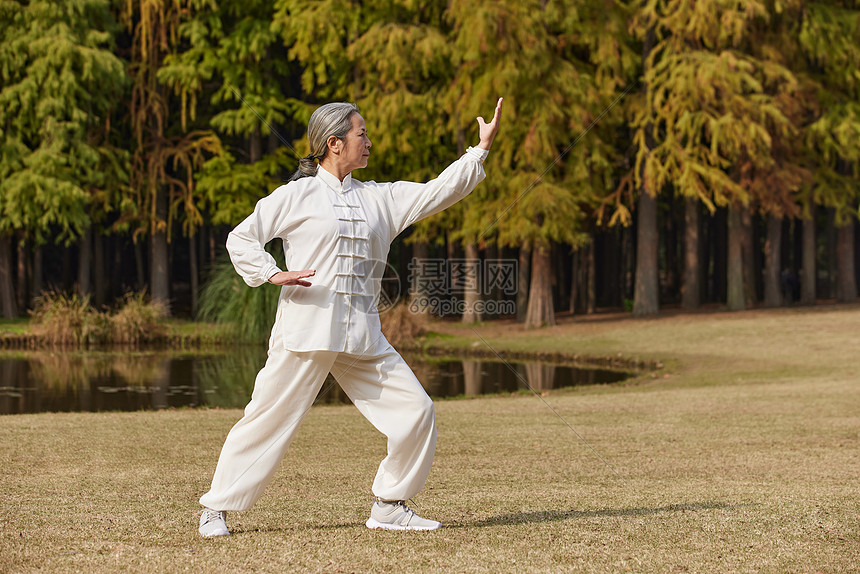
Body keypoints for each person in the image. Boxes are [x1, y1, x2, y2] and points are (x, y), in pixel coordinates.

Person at [198, 97, 503, 537]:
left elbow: (438, 190)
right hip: (304, 332)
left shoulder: (381, 198)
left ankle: (390, 505)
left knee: (417, 410)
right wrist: (272, 273)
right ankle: (215, 509)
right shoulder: (295, 195)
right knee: (265, 419)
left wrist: (479, 150)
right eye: (363, 134)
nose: (370, 142)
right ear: (334, 143)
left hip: (362, 336)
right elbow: (242, 238)